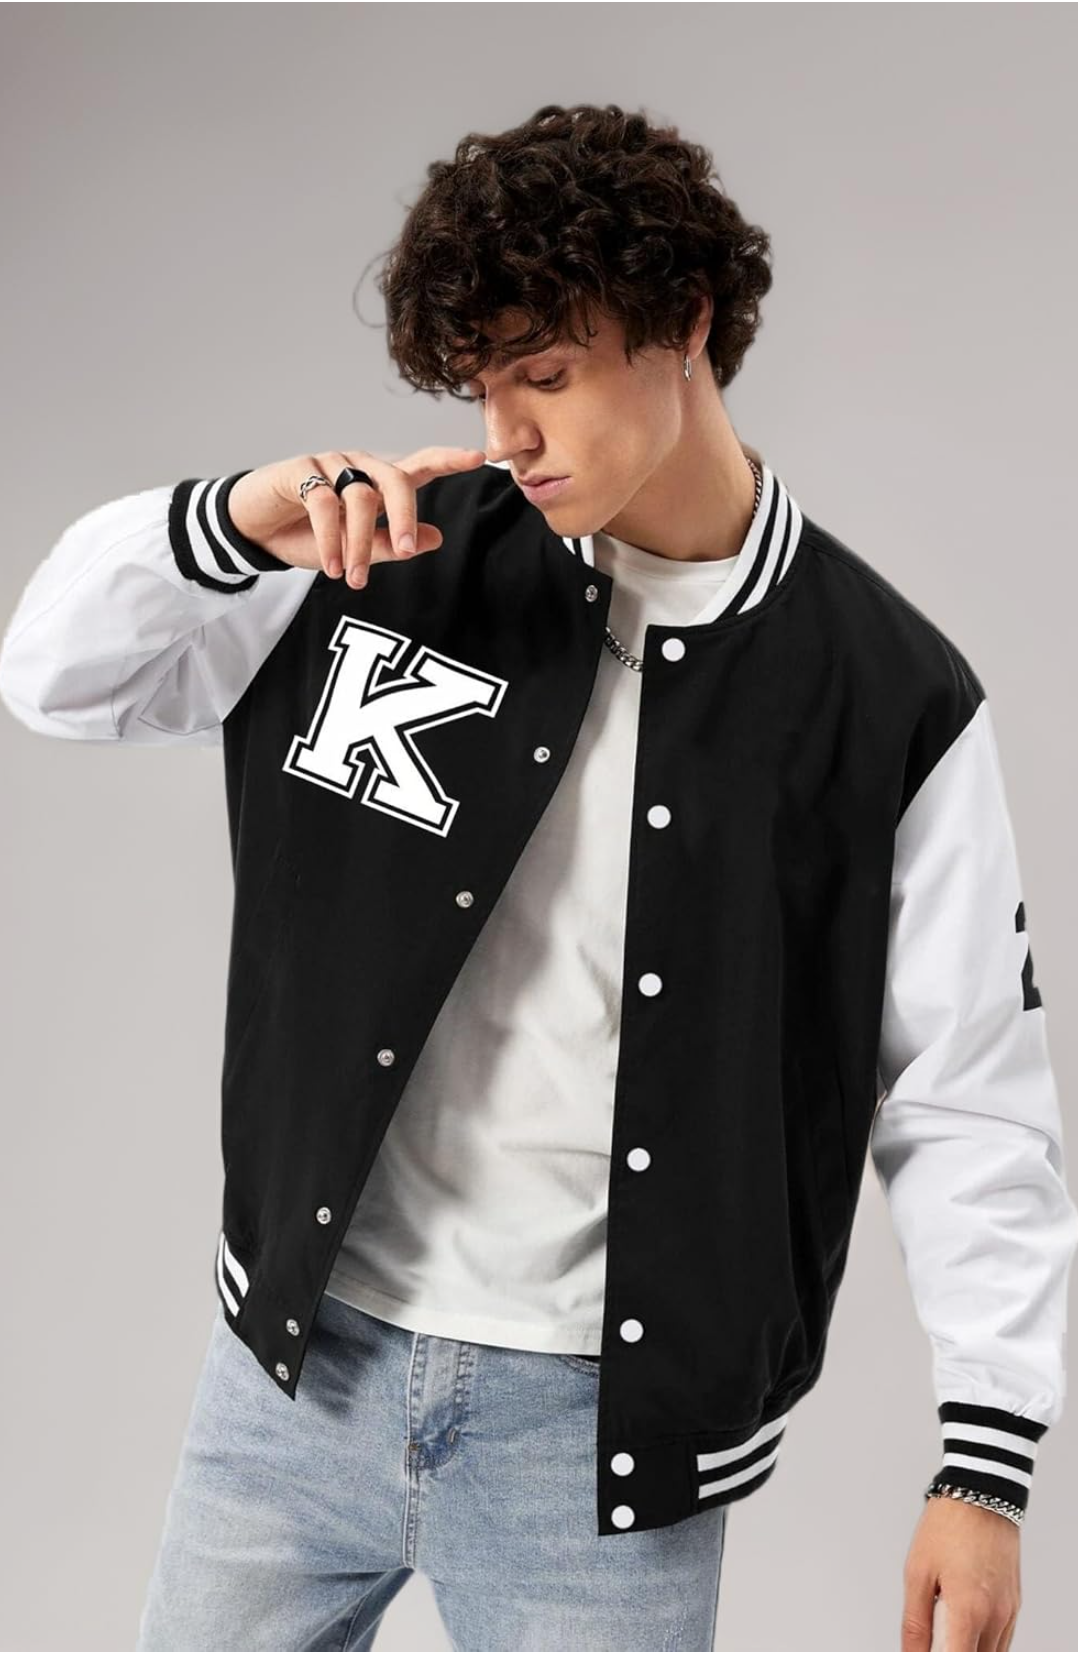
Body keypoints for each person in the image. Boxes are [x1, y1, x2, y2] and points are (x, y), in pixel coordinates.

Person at [1, 102, 1074, 1654]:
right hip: (294, 1380)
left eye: (548, 375)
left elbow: (970, 1097)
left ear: (684, 325)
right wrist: (231, 523)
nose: (507, 431)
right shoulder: (383, 556)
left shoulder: (885, 693)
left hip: (597, 1451)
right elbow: (51, 675)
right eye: (482, 384)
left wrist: (985, 1464)